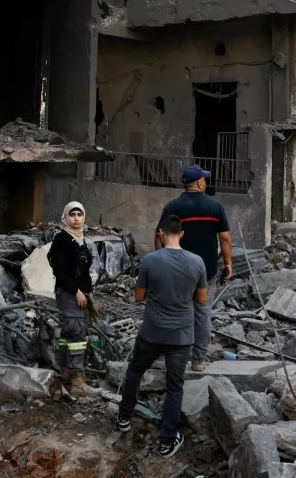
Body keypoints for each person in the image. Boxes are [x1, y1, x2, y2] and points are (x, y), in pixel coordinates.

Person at [117, 214, 208, 458]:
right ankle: (167, 441)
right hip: (181, 336)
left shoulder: (150, 261)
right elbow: (201, 300)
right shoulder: (197, 262)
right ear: (182, 234)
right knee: (175, 387)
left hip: (152, 331)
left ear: (160, 233)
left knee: (135, 370)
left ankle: (124, 417)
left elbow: (138, 296)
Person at [156, 165, 232, 372]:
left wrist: (161, 262)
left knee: (173, 312)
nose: (205, 182)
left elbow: (159, 236)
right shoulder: (215, 207)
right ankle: (198, 360)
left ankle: (169, 358)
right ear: (199, 182)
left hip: (177, 272)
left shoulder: (172, 207)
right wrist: (228, 263)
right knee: (202, 314)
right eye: (204, 179)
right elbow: (224, 238)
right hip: (205, 272)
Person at [49, 201, 99, 397]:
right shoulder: (62, 239)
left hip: (80, 293)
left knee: (70, 332)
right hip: (69, 293)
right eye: (72, 215)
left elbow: (83, 272)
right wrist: (77, 291)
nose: (76, 218)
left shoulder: (80, 239)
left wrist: (88, 293)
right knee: (77, 333)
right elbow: (59, 271)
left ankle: (65, 371)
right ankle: (77, 381)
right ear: (65, 217)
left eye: (79, 214)